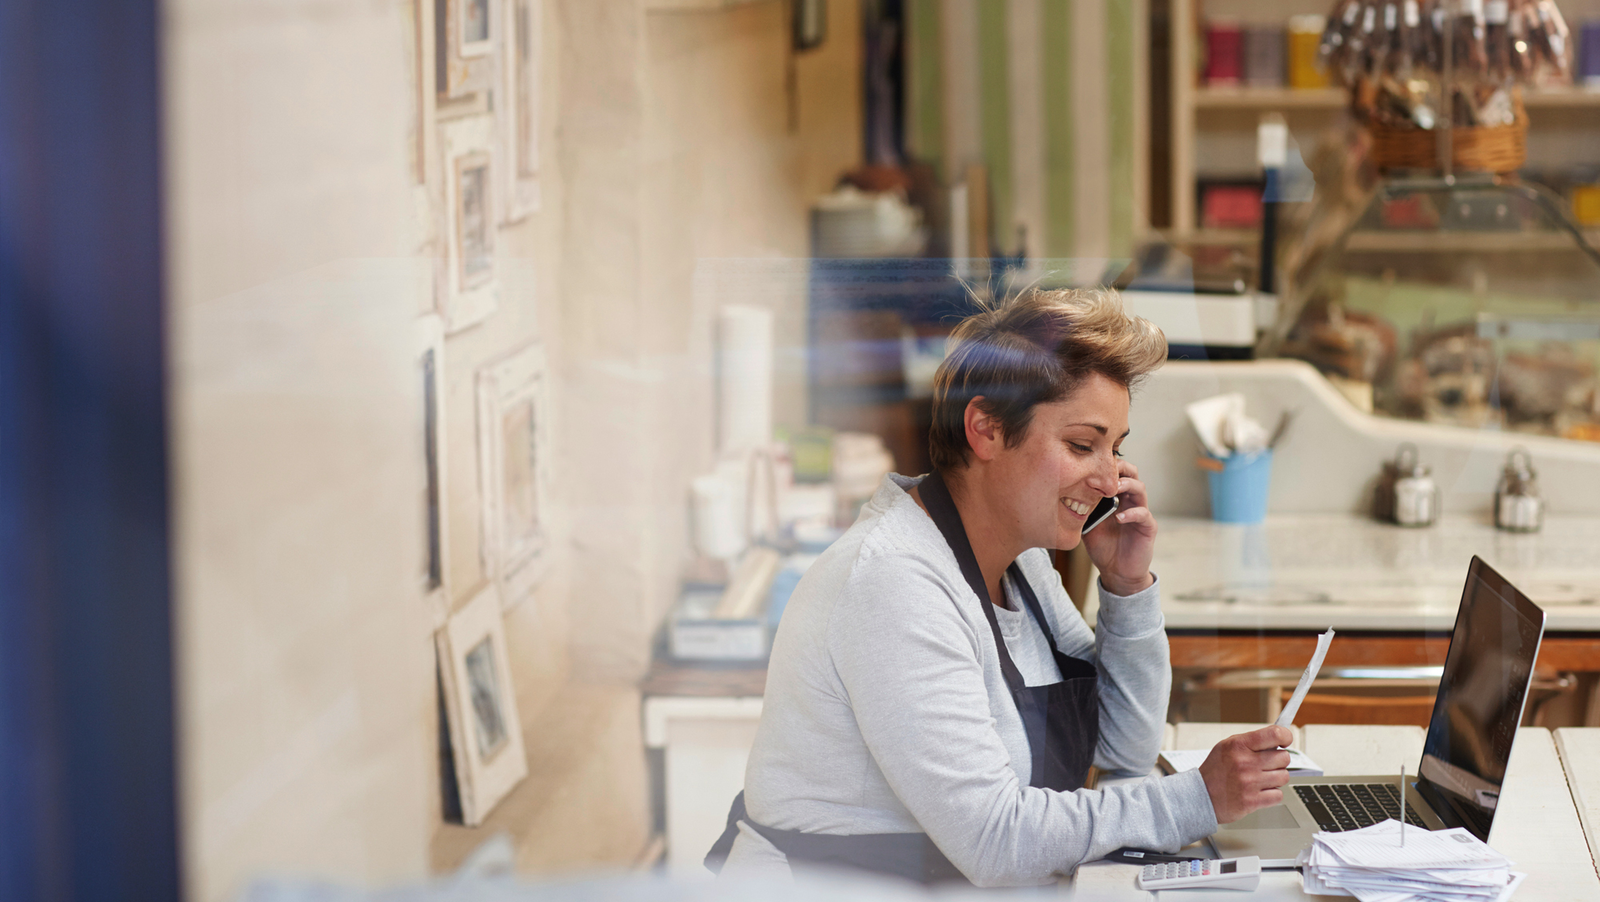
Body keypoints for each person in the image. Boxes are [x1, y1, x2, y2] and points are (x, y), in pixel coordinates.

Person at [706, 288, 1293, 888]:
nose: (1112, 478)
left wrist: (1125, 585)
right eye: (1081, 445)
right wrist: (1197, 798)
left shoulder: (1021, 564)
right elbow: (996, 841)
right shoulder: (893, 584)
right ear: (985, 430)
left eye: (1116, 449)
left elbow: (1122, 749)